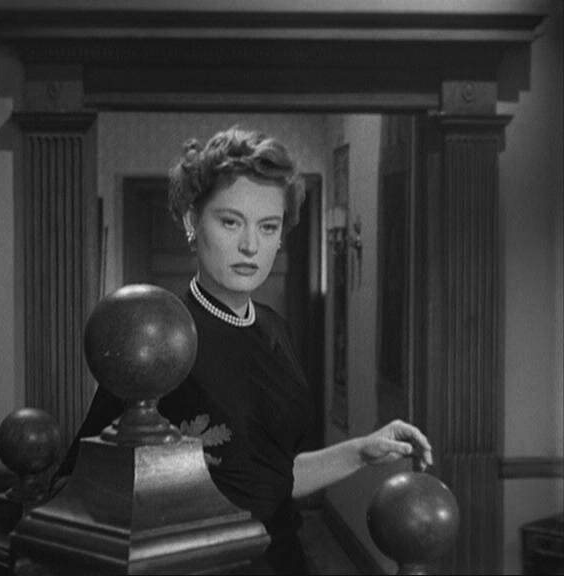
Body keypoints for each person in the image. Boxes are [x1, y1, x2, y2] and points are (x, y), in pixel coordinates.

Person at [55, 126, 433, 574]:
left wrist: (361, 451)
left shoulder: (276, 330)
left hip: (282, 559)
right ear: (192, 222)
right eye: (231, 222)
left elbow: (270, 477)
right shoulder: (157, 334)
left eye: (268, 226)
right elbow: (77, 485)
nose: (251, 245)